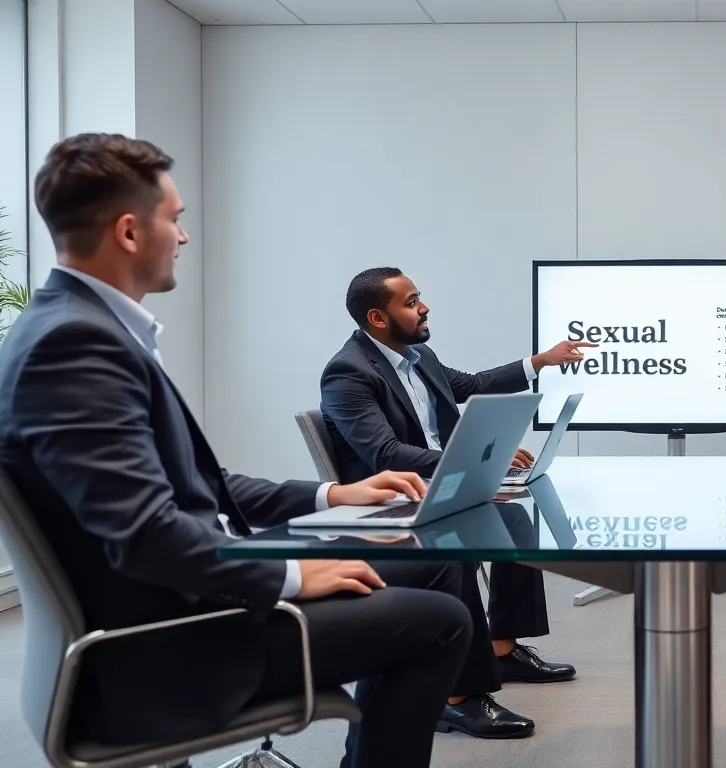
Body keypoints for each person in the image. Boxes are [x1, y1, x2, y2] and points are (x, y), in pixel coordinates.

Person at [0, 133, 469, 768]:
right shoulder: (75, 346)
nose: (185, 237)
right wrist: (294, 577)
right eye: (176, 219)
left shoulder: (83, 327)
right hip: (170, 644)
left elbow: (202, 483)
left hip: (189, 598)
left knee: (431, 565)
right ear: (131, 232)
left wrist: (334, 494)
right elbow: (144, 535)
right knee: (440, 621)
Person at [319, 267, 591, 738]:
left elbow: (471, 385)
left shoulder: (418, 357)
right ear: (377, 318)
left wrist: (540, 362)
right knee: (457, 547)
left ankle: (502, 649)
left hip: (435, 492)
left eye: (419, 298)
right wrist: (469, 460)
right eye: (411, 302)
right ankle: (457, 696)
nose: (424, 308)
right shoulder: (348, 372)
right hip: (388, 504)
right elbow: (384, 454)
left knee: (513, 520)